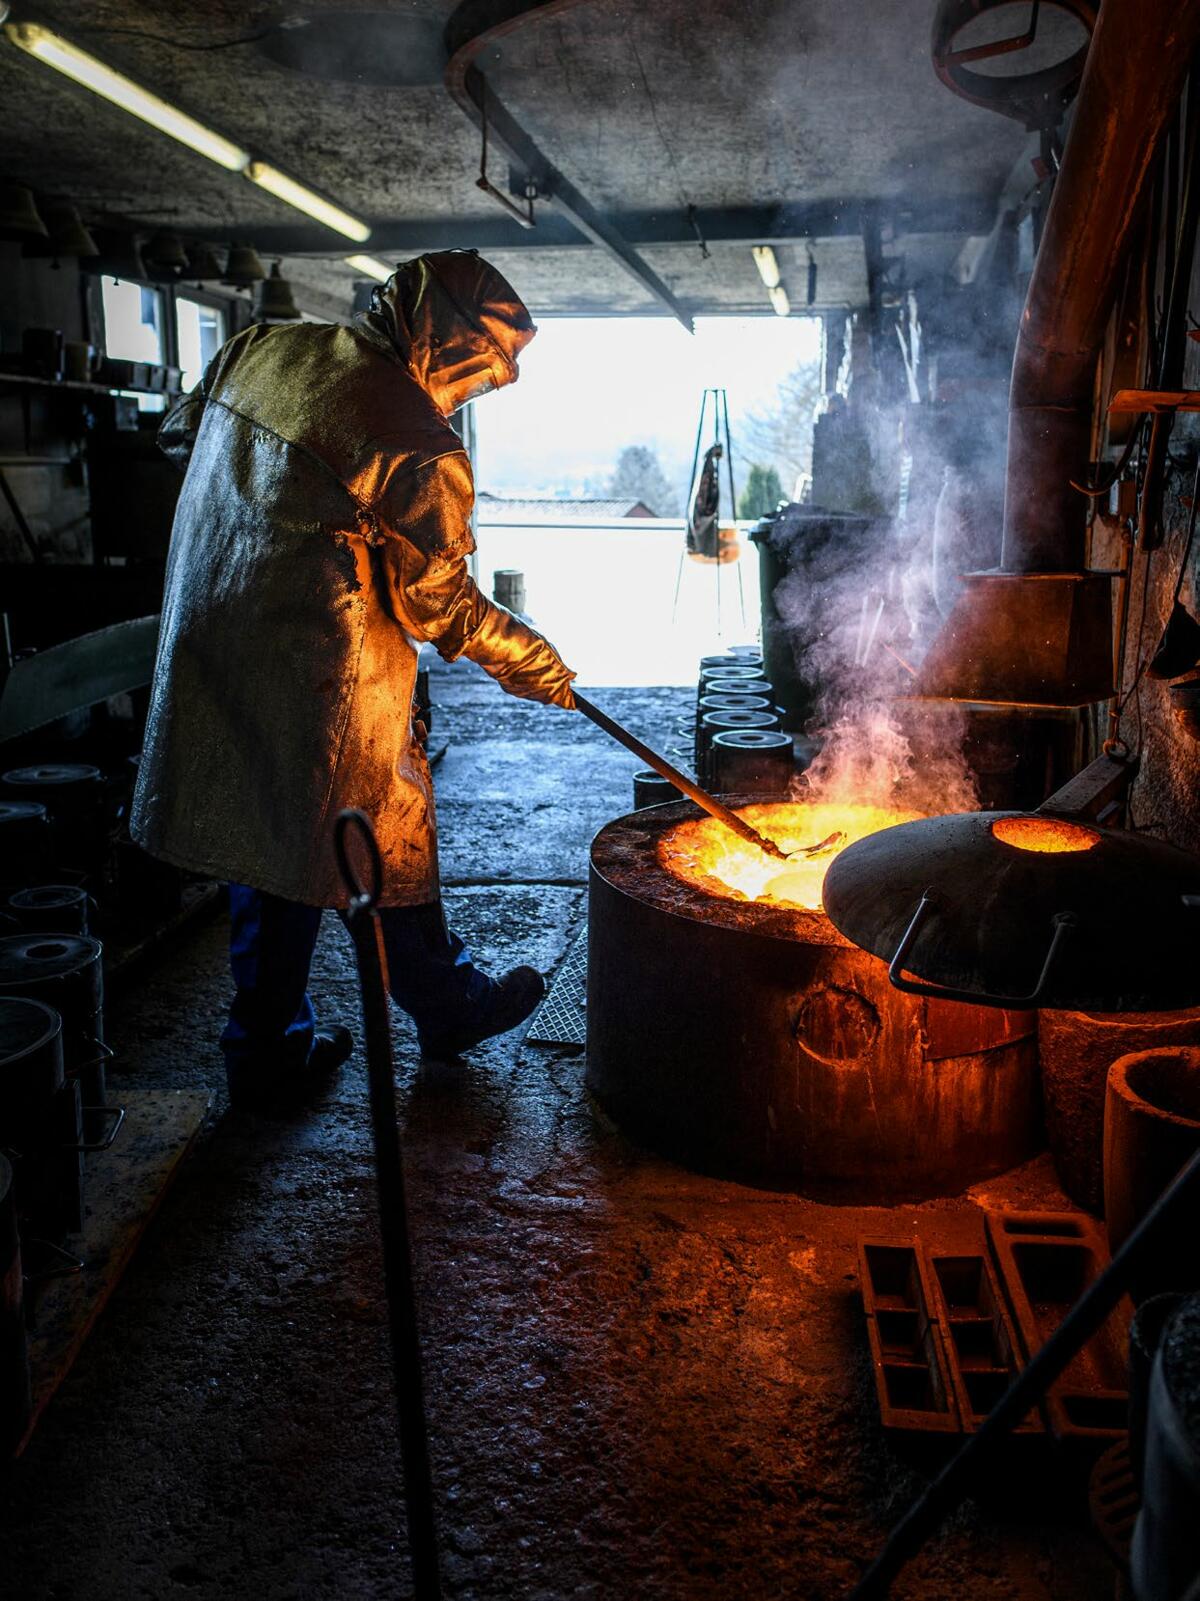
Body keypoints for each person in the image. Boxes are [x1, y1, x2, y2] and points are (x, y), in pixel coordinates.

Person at [131, 251, 576, 1109]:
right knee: (342, 839)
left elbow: (177, 437)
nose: (468, 392)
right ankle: (404, 1017)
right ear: (446, 342)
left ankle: (294, 1041)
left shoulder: (259, 345)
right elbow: (438, 605)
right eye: (476, 369)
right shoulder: (415, 441)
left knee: (286, 839)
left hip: (217, 642)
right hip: (322, 679)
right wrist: (535, 662)